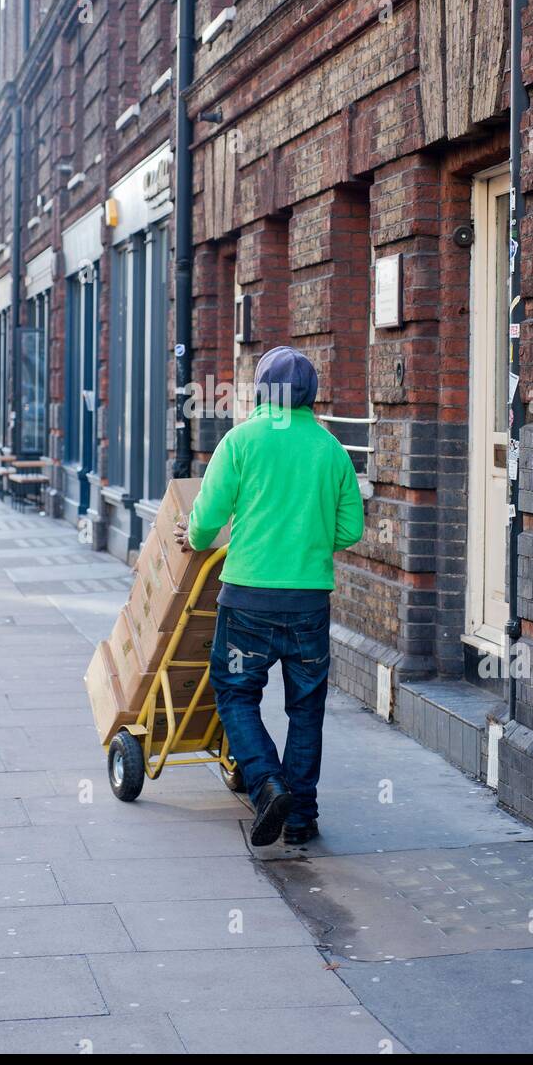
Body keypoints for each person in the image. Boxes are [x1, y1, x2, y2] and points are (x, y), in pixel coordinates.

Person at [173, 346, 365, 847]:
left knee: (236, 693)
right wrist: (308, 536)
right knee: (306, 707)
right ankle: (300, 815)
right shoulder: (331, 450)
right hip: (308, 604)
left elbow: (207, 519)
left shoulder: (240, 442)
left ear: (261, 390)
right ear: (311, 395)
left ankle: (267, 783)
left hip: (248, 603)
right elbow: (350, 529)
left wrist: (192, 536)